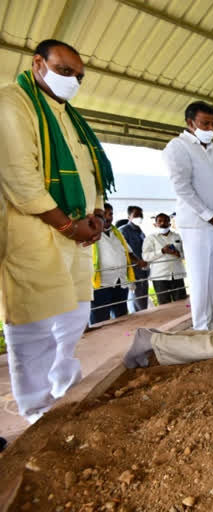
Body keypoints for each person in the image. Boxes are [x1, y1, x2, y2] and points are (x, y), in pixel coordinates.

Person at [0, 39, 112, 423]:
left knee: (71, 318)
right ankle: (37, 410)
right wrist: (67, 224)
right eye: (64, 72)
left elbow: (89, 172)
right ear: (37, 63)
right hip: (35, 234)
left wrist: (97, 212)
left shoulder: (68, 115)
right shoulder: (13, 103)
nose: (72, 82)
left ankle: (66, 393)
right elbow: (20, 178)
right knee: (36, 325)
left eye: (78, 76)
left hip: (77, 236)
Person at [163, 101, 213, 330]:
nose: (210, 128)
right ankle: (201, 327)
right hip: (197, 225)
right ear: (190, 123)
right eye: (205, 123)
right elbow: (182, 187)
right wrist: (209, 216)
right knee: (200, 278)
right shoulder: (178, 147)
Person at [90, 203, 136, 324]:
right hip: (101, 284)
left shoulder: (117, 233)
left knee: (122, 319)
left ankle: (121, 341)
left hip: (120, 282)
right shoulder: (89, 233)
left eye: (110, 213)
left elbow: (129, 252)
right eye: (103, 214)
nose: (108, 217)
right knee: (100, 320)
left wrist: (140, 262)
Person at [143, 213, 186, 305]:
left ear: (170, 224)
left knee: (181, 303)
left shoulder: (177, 236)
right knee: (164, 305)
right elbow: (145, 256)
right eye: (160, 221)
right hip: (160, 276)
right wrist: (162, 251)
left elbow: (187, 254)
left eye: (166, 221)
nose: (163, 223)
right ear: (155, 224)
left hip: (177, 275)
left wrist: (178, 253)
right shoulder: (150, 238)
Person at [119, 205, 149, 313]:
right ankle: (140, 325)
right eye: (136, 215)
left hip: (143, 271)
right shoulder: (122, 231)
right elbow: (123, 252)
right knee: (136, 303)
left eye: (141, 215)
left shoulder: (141, 232)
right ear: (129, 217)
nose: (139, 217)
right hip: (132, 272)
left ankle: (143, 323)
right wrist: (137, 261)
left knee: (142, 301)